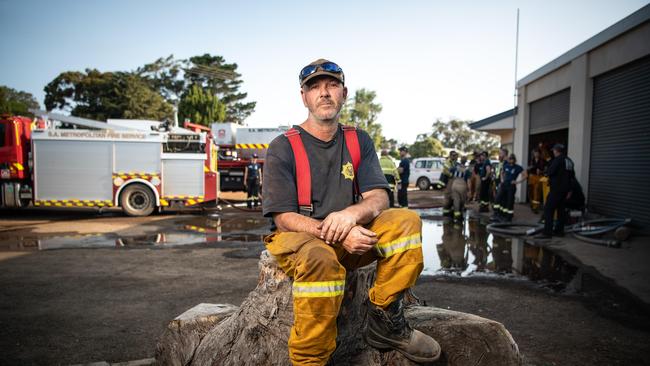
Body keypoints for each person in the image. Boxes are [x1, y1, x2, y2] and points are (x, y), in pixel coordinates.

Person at [262, 59, 440, 365]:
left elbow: (378, 197)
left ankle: (385, 322)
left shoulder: (359, 140)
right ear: (303, 97)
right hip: (303, 238)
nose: (324, 93)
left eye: (331, 85)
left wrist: (350, 217)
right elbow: (283, 217)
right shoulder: (283, 147)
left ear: (344, 93)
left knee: (406, 223)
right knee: (320, 261)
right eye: (314, 87)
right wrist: (339, 232)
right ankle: (310, 360)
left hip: (351, 234)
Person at [537, 144, 572, 239]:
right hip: (565, 191)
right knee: (561, 211)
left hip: (556, 189)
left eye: (554, 151)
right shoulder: (569, 161)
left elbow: (550, 172)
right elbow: (572, 177)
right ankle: (559, 231)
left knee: (548, 209)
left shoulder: (557, 160)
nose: (553, 152)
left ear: (556, 151)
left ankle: (547, 232)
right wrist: (570, 190)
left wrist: (544, 172)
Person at [492, 154, 527, 222]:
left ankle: (509, 217)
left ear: (514, 160)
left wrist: (517, 182)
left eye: (512, 159)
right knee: (499, 198)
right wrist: (502, 180)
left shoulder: (518, 167)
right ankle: (497, 214)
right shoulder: (506, 165)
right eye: (510, 159)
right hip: (504, 185)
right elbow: (502, 172)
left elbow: (525, 175)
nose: (511, 160)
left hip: (511, 187)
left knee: (510, 202)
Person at [527, 149, 547, 213]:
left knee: (537, 192)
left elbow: (546, 169)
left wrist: (541, 171)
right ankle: (531, 204)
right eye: (535, 153)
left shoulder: (543, 161)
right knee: (530, 192)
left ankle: (535, 207)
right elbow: (528, 168)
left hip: (539, 177)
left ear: (539, 154)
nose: (536, 154)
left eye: (537, 153)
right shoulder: (531, 160)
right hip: (531, 177)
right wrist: (529, 170)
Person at [440, 151, 458, 216]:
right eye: (453, 155)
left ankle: (451, 210)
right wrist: (451, 175)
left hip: (453, 181)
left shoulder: (454, 163)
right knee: (447, 196)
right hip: (448, 181)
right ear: (450, 156)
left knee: (453, 196)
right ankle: (446, 212)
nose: (455, 156)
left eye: (456, 155)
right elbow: (445, 171)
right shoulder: (448, 162)